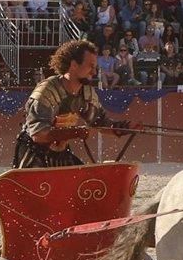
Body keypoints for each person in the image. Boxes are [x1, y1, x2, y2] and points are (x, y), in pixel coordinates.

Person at [14, 40, 111, 168]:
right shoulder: (47, 91)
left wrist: (129, 127)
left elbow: (101, 123)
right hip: (33, 153)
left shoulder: (85, 93)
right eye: (90, 66)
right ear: (74, 65)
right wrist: (74, 133)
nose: (93, 72)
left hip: (60, 152)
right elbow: (38, 135)